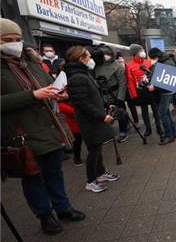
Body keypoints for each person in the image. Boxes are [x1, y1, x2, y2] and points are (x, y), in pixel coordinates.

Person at [0, 18, 85, 235]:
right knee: (33, 176)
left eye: (18, 39)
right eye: (7, 40)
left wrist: (60, 93)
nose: (14, 43)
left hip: (49, 127)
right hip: (21, 133)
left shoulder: (33, 61)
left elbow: (49, 84)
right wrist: (32, 95)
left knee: (54, 172)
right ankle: (44, 215)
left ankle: (62, 207)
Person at [64, 46, 120, 193]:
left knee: (97, 146)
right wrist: (102, 116)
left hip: (94, 118)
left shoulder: (84, 74)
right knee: (94, 149)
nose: (91, 59)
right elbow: (82, 104)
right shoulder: (77, 77)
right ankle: (91, 181)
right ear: (81, 59)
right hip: (89, 120)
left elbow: (92, 96)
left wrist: (106, 105)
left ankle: (100, 174)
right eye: (88, 56)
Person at [125, 44, 163, 138]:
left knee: (156, 110)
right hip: (140, 92)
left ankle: (159, 127)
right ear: (135, 53)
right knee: (144, 111)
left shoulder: (148, 62)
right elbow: (130, 81)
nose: (143, 52)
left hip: (151, 90)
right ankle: (148, 128)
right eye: (141, 50)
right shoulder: (129, 66)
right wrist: (134, 95)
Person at [94, 46, 129, 142]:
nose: (106, 56)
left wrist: (120, 98)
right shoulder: (96, 66)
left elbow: (123, 83)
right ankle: (108, 133)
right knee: (105, 115)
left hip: (115, 93)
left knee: (120, 112)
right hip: (103, 94)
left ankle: (123, 131)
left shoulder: (117, 66)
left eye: (108, 54)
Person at [148, 47, 176, 145]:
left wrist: (154, 87)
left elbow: (165, 80)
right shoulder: (164, 61)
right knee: (166, 113)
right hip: (165, 91)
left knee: (162, 113)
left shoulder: (166, 63)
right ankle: (172, 133)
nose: (152, 59)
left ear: (156, 56)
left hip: (166, 91)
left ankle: (169, 135)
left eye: (152, 58)